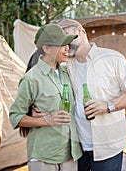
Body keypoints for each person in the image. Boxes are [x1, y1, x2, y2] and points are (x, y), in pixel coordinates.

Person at [53, 18, 126, 171]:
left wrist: (108, 106)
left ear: (80, 31)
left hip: (107, 146)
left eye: (67, 37)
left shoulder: (112, 58)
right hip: (77, 146)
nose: (65, 44)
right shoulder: (64, 66)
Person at [9, 23, 82, 171]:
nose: (67, 47)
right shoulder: (31, 79)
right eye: (62, 44)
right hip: (44, 155)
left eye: (67, 43)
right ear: (46, 48)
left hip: (70, 153)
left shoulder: (66, 72)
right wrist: (45, 120)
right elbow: (15, 116)